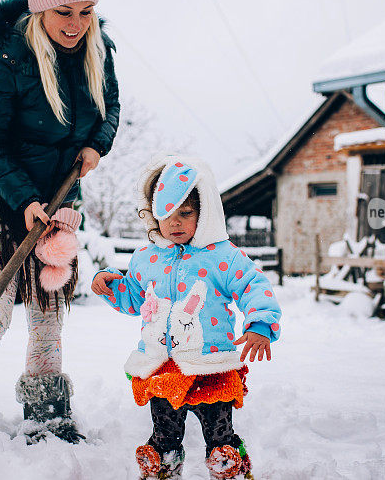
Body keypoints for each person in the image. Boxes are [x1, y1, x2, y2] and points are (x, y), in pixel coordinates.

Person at [0, 0, 119, 444]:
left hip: (60, 201)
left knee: (48, 312)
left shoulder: (99, 47)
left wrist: (97, 145)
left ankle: (47, 414)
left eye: (85, 12)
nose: (75, 24)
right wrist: (23, 197)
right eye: (63, 12)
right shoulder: (7, 54)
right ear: (39, 8)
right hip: (0, 201)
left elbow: (111, 107)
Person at [91, 155, 281, 479]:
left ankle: (228, 465)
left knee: (218, 432)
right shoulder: (146, 258)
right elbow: (135, 298)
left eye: (185, 212)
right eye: (166, 214)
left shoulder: (222, 255)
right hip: (163, 366)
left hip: (211, 365)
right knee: (164, 431)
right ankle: (164, 465)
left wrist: (261, 323)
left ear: (204, 212)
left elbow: (253, 284)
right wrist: (112, 287)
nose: (175, 222)